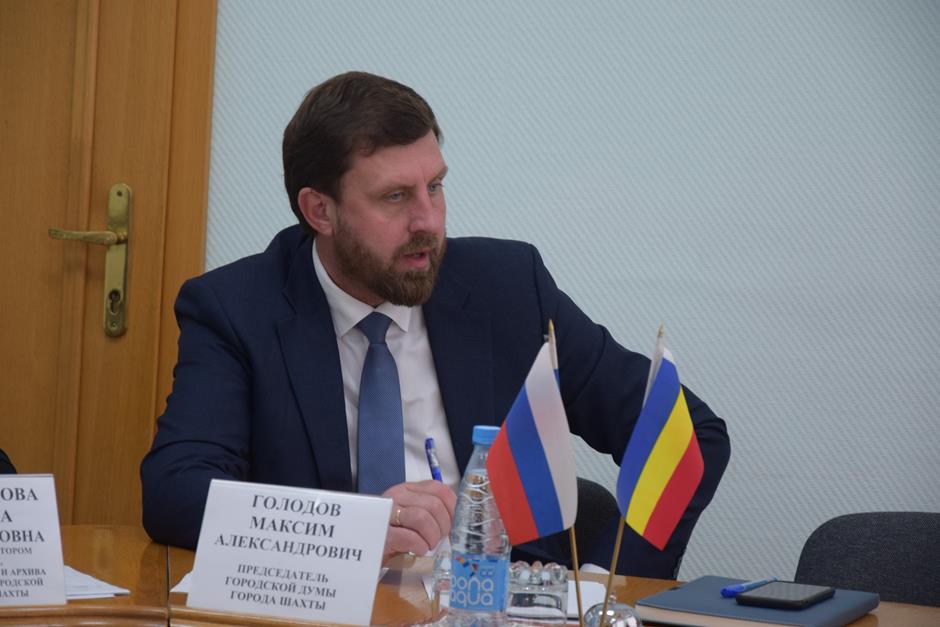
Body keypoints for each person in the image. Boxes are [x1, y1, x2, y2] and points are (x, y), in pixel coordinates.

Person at [140, 71, 730, 576]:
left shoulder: (508, 288)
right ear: (319, 210)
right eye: (395, 197)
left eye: (436, 186)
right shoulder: (237, 309)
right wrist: (351, 530)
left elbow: (684, 436)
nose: (429, 221)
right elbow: (175, 489)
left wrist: (602, 587)